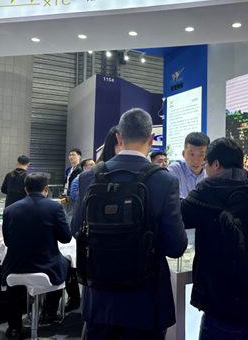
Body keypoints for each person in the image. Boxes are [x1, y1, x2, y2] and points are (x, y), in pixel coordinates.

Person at [72, 108, 187, 340]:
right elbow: (176, 247)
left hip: (99, 299)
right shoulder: (165, 180)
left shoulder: (88, 177)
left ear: (119, 137)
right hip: (146, 302)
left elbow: (76, 230)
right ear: (151, 140)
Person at [181, 138, 248, 339]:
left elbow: (178, 219)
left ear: (216, 164)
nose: (205, 170)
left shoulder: (207, 191)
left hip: (228, 310)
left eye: (206, 164)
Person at [2, 173, 72, 339]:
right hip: (47, 267)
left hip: (15, 267)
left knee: (14, 287)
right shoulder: (55, 208)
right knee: (66, 263)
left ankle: (14, 327)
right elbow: (66, 238)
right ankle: (49, 312)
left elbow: (7, 241)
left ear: (26, 190)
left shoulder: (9, 209)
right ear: (46, 188)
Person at [168, 132, 210, 198]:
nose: (196, 161)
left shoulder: (210, 172)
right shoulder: (175, 169)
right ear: (183, 154)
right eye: (191, 154)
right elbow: (175, 199)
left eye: (201, 155)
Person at [63, 148, 82, 222]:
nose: (71, 157)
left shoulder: (79, 170)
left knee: (70, 216)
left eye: (73, 155)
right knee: (65, 213)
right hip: (64, 195)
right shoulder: (70, 169)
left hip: (71, 196)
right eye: (70, 155)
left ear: (79, 156)